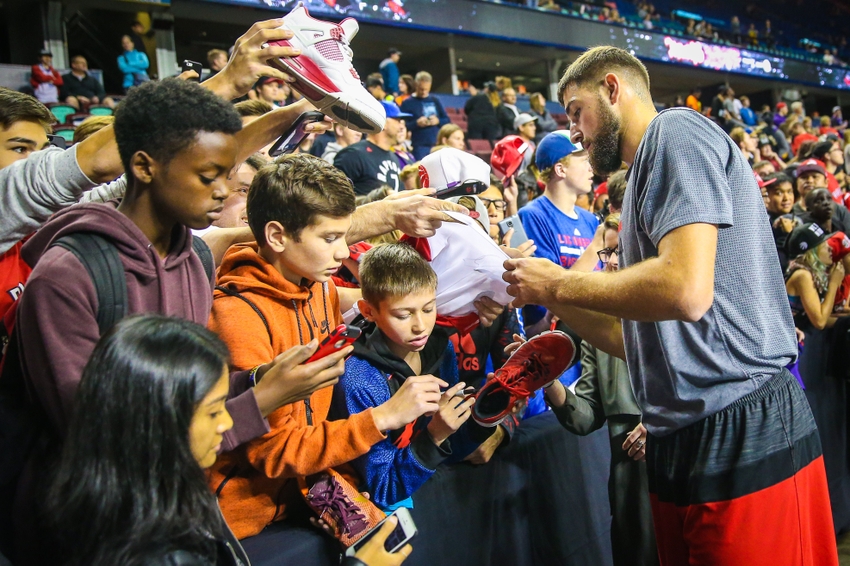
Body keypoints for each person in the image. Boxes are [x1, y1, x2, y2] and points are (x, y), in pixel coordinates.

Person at [505, 45, 837, 564]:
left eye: (576, 112)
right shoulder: (642, 178)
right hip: (679, 434)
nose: (574, 132)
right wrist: (546, 293)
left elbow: (685, 290)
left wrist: (559, 286)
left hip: (739, 417)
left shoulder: (674, 131)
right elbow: (635, 340)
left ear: (612, 89)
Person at [44, 314, 411, 566]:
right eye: (213, 411)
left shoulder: (121, 502)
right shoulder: (156, 549)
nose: (227, 422)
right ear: (158, 421)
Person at [207, 155, 441, 539]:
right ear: (277, 236)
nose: (344, 252)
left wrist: (342, 484)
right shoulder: (238, 317)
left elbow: (314, 420)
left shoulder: (319, 285)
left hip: (301, 499)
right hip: (238, 527)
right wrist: (382, 417)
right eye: (330, 238)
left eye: (344, 237)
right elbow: (273, 452)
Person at [332, 243, 486, 510]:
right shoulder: (358, 379)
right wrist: (434, 436)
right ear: (368, 311)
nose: (420, 326)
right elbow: (382, 488)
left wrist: (488, 412)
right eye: (403, 315)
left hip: (432, 494)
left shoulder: (439, 346)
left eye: (428, 309)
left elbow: (451, 450)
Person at [543, 212, 658, 566]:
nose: (609, 262)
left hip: (682, 471)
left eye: (619, 251)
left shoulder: (679, 314)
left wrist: (663, 420)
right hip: (631, 490)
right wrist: (548, 380)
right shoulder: (598, 327)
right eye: (607, 253)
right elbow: (586, 416)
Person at [334, 100, 408, 194]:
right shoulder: (353, 154)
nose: (401, 127)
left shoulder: (394, 157)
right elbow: (335, 196)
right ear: (383, 123)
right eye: (398, 121)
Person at [785, 223, 847, 330]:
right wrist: (833, 283)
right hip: (791, 335)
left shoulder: (809, 273)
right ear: (812, 252)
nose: (830, 248)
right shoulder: (802, 275)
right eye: (824, 245)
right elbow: (820, 322)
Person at [400, 72, 450, 160]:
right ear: (416, 85)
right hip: (419, 145)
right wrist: (417, 123)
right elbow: (403, 125)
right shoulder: (407, 103)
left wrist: (438, 121)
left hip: (436, 143)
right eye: (421, 89)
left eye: (426, 89)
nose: (424, 92)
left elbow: (447, 120)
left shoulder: (435, 100)